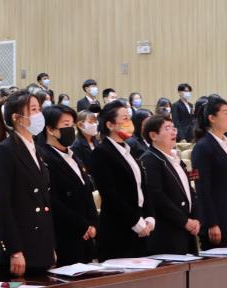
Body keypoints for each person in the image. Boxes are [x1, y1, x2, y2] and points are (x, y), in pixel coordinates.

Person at [0, 91, 56, 274]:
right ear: (17, 118)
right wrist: (15, 250)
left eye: (39, 109)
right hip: (21, 244)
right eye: (33, 110)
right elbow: (3, 206)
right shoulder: (5, 151)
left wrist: (50, 245)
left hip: (39, 241)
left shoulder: (35, 149)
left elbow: (44, 201)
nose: (39, 114)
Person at [91, 100, 155, 259]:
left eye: (129, 118)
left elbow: (141, 187)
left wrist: (149, 216)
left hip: (140, 222)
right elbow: (110, 194)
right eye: (124, 119)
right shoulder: (101, 153)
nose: (129, 123)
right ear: (110, 125)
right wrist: (135, 221)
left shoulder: (128, 150)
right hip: (118, 226)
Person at [40, 105, 98, 264]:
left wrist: (93, 223)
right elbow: (52, 199)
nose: (71, 129)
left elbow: (86, 191)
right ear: (50, 129)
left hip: (86, 233)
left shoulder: (73, 155)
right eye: (66, 125)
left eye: (72, 124)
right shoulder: (44, 157)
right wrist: (82, 225)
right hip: (65, 233)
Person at [139, 115, 199, 255]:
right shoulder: (149, 160)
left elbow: (189, 191)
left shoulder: (176, 159)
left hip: (187, 227)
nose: (173, 132)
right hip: (167, 231)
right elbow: (157, 197)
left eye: (173, 128)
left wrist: (196, 218)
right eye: (167, 128)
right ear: (153, 135)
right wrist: (184, 221)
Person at [190, 95, 227, 247]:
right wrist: (211, 223)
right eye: (225, 113)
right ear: (212, 118)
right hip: (216, 220)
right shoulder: (203, 146)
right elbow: (202, 187)